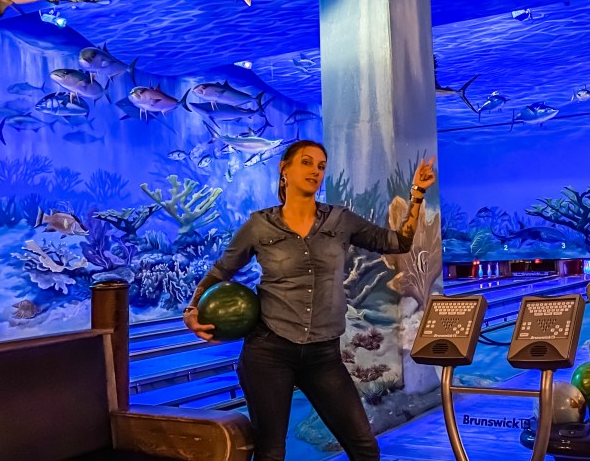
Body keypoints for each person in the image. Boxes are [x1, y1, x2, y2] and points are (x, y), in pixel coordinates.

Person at [183, 139, 436, 461]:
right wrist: (192, 309)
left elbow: (398, 242)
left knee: (365, 447)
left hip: (323, 356)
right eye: (306, 162)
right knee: (271, 452)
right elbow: (221, 271)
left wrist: (417, 194)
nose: (315, 171)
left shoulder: (340, 220)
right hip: (268, 351)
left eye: (321, 166)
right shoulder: (259, 226)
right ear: (284, 169)